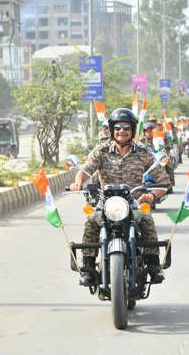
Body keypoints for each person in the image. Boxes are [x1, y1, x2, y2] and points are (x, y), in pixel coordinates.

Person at [70, 108, 170, 286]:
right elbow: (85, 171)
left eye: (126, 127)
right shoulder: (101, 151)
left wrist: (151, 195)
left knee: (147, 221)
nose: (121, 131)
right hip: (106, 202)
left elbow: (163, 181)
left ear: (132, 130)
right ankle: (88, 268)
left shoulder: (142, 152)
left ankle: (154, 266)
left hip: (134, 202)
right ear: (112, 130)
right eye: (117, 127)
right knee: (91, 221)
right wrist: (78, 181)